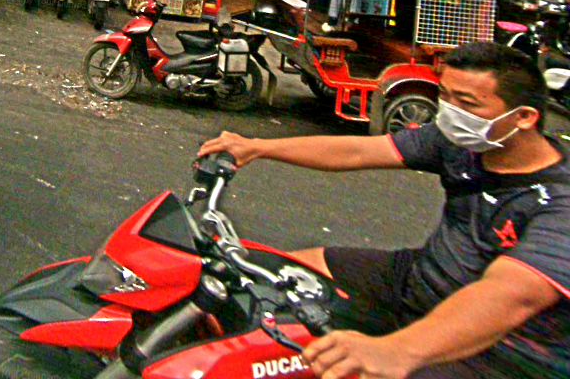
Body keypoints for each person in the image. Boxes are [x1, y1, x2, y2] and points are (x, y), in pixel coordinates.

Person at [198, 42, 568, 379]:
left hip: (503, 347)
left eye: (468, 104)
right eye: (446, 96)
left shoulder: (560, 203)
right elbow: (358, 151)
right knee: (274, 272)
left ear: (524, 117)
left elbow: (512, 294)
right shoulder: (460, 143)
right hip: (418, 278)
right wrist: (258, 147)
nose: (452, 111)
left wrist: (397, 351)